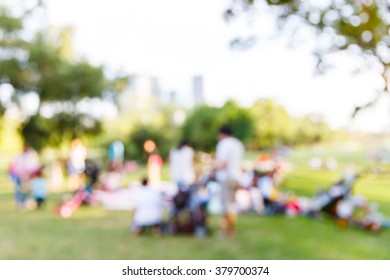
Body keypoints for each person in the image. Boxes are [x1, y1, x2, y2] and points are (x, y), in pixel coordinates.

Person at [213, 125, 244, 236]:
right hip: (236, 177)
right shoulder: (238, 143)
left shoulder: (223, 144)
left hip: (226, 178)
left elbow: (224, 163)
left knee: (226, 204)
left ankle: (226, 230)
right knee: (232, 204)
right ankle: (231, 229)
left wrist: (213, 167)